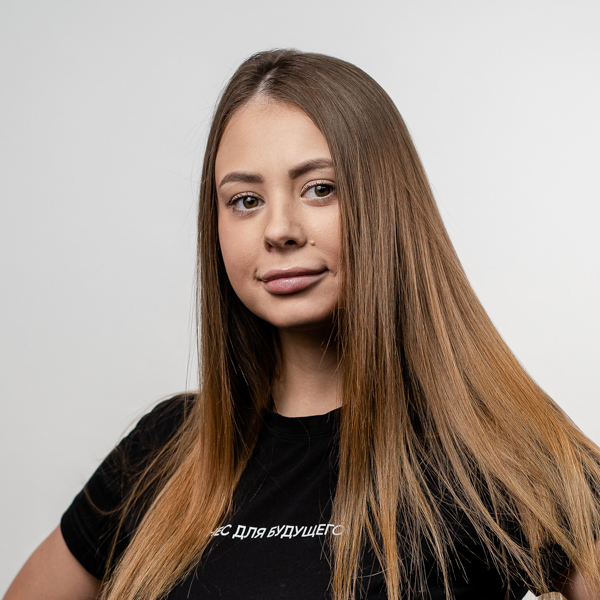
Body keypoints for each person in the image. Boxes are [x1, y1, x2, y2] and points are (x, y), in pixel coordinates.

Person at [5, 49, 600, 600]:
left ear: (387, 205)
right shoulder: (163, 448)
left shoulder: (501, 454)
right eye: (245, 200)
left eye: (319, 189)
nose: (279, 230)